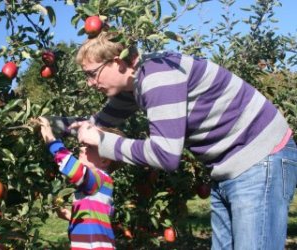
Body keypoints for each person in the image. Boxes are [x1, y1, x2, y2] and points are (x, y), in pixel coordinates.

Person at [48, 31, 297, 250]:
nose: (90, 83)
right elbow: (95, 123)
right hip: (228, 167)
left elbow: (165, 155)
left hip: (260, 157)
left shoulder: (158, 76)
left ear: (117, 62)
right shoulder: (133, 86)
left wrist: (102, 142)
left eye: (92, 74)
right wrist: (48, 124)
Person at [38, 116, 124, 250]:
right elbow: (96, 217)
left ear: (104, 160)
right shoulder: (98, 186)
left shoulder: (100, 179)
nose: (82, 148)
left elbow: (74, 169)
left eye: (89, 147)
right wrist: (71, 216)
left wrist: (51, 141)